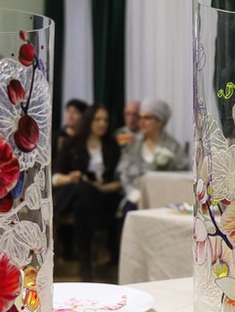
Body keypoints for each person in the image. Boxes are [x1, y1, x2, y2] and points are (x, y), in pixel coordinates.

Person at [53, 104, 123, 281]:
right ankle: (92, 255)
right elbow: (55, 178)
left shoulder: (112, 146)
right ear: (89, 120)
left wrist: (103, 188)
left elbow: (119, 180)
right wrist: (72, 177)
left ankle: (85, 260)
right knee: (84, 191)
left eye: (105, 120)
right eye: (97, 119)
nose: (102, 123)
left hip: (104, 196)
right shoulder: (72, 143)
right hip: (73, 192)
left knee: (84, 202)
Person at [118, 97, 188, 212]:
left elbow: (183, 172)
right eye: (140, 117)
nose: (141, 122)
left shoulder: (173, 147)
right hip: (135, 198)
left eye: (147, 118)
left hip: (166, 199)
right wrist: (135, 195)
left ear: (160, 122)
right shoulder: (133, 144)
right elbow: (124, 174)